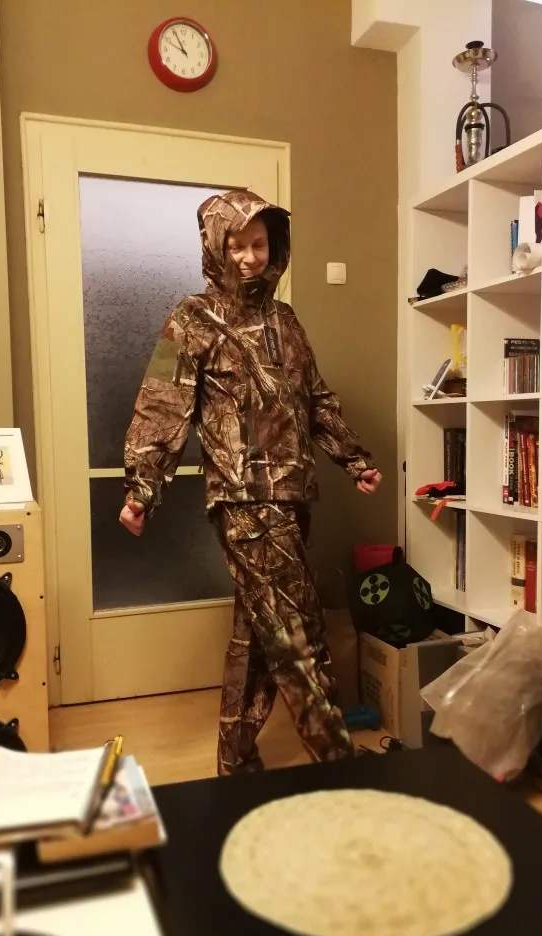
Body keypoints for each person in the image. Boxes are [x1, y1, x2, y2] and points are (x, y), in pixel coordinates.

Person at [119, 189, 382, 775]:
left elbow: (315, 398)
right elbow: (161, 404)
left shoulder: (286, 321)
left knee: (259, 634)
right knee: (296, 632)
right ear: (215, 247)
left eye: (259, 244)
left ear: (274, 246)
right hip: (241, 500)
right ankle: (340, 764)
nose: (248, 257)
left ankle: (235, 761)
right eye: (236, 245)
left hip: (291, 496)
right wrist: (142, 488)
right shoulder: (190, 319)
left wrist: (352, 457)